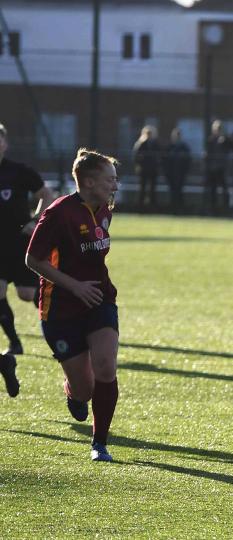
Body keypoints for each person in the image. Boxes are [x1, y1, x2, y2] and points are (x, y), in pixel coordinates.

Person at [25, 148, 122, 462]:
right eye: (110, 180)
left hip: (100, 298)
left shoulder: (105, 209)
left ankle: (100, 443)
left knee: (106, 364)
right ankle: (72, 390)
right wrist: (75, 286)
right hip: (60, 308)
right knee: (85, 390)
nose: (115, 186)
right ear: (90, 182)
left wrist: (88, 288)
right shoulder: (59, 213)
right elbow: (33, 259)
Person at [0, 123, 55, 373]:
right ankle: (15, 342)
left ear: (5, 143)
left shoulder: (18, 171)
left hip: (20, 242)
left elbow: (46, 194)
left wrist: (35, 220)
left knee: (25, 293)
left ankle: (60, 325)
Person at [204, 120, 231, 214]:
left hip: (222, 169)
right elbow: (207, 153)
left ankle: (225, 209)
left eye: (219, 129)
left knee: (224, 190)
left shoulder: (225, 140)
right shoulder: (210, 140)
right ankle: (213, 210)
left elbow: (229, 147)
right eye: (216, 129)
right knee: (212, 191)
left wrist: (224, 140)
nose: (218, 131)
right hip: (212, 169)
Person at [162, 127, 192, 211]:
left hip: (181, 173)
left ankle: (180, 208)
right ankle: (172, 208)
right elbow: (164, 160)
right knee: (172, 190)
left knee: (179, 190)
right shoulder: (169, 147)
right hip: (171, 173)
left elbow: (188, 160)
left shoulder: (184, 147)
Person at [132, 125, 162, 209]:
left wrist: (157, 165)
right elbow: (136, 156)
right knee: (142, 188)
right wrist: (139, 165)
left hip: (153, 170)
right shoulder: (141, 144)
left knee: (153, 189)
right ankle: (140, 207)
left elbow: (160, 156)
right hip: (143, 169)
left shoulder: (156, 144)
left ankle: (152, 206)